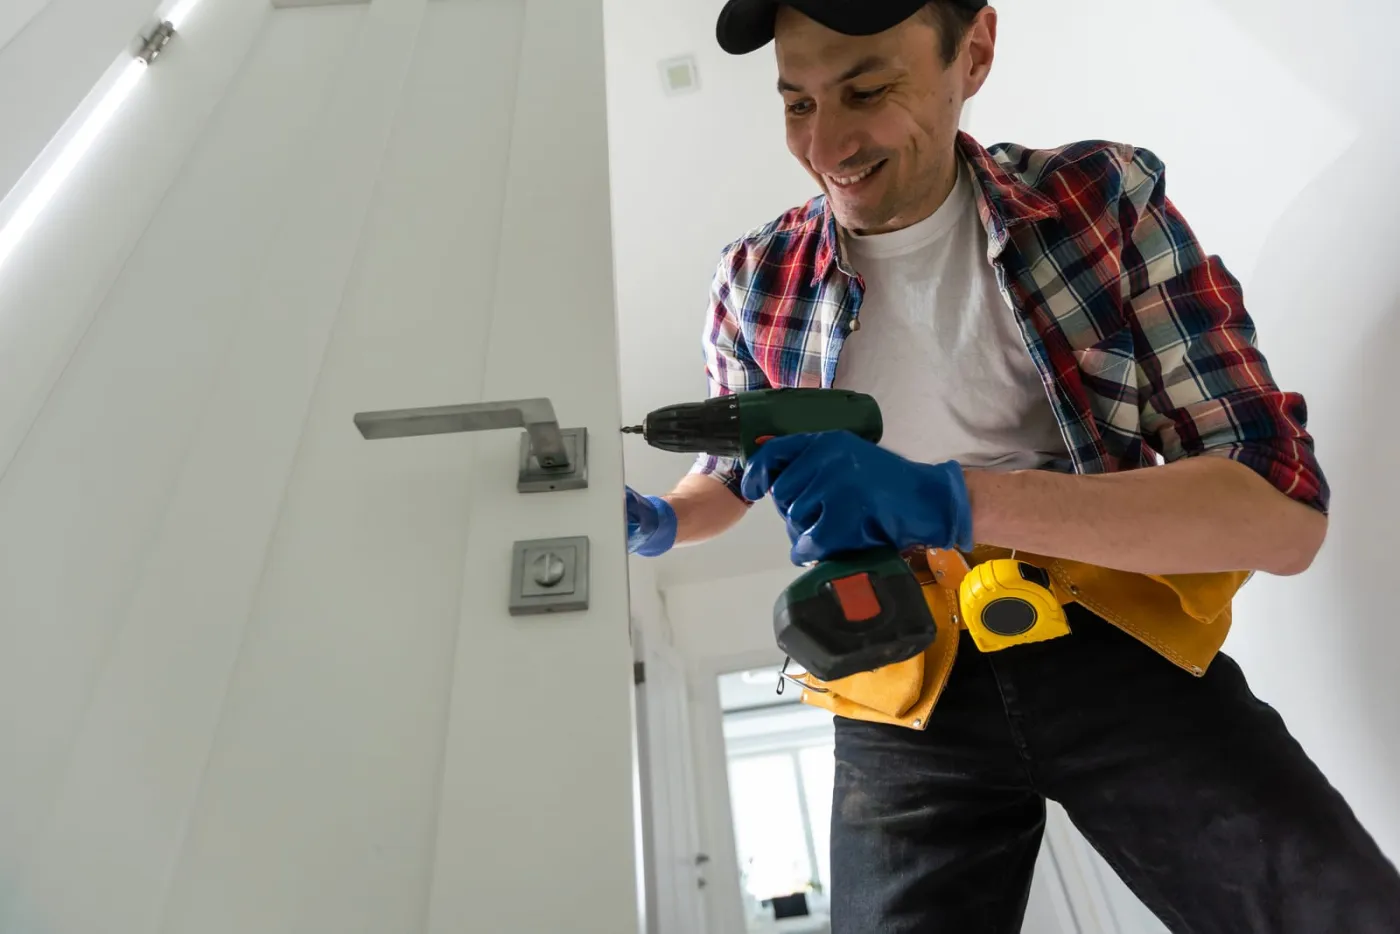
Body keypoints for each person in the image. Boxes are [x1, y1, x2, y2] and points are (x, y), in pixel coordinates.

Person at [625, 1, 1400, 930]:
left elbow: (1279, 516)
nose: (825, 143)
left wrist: (953, 501)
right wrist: (668, 520)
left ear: (975, 52)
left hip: (1116, 635)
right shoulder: (755, 279)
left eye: (866, 90)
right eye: (796, 103)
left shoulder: (1100, 200)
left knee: (1335, 911)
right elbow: (728, 472)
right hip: (894, 678)